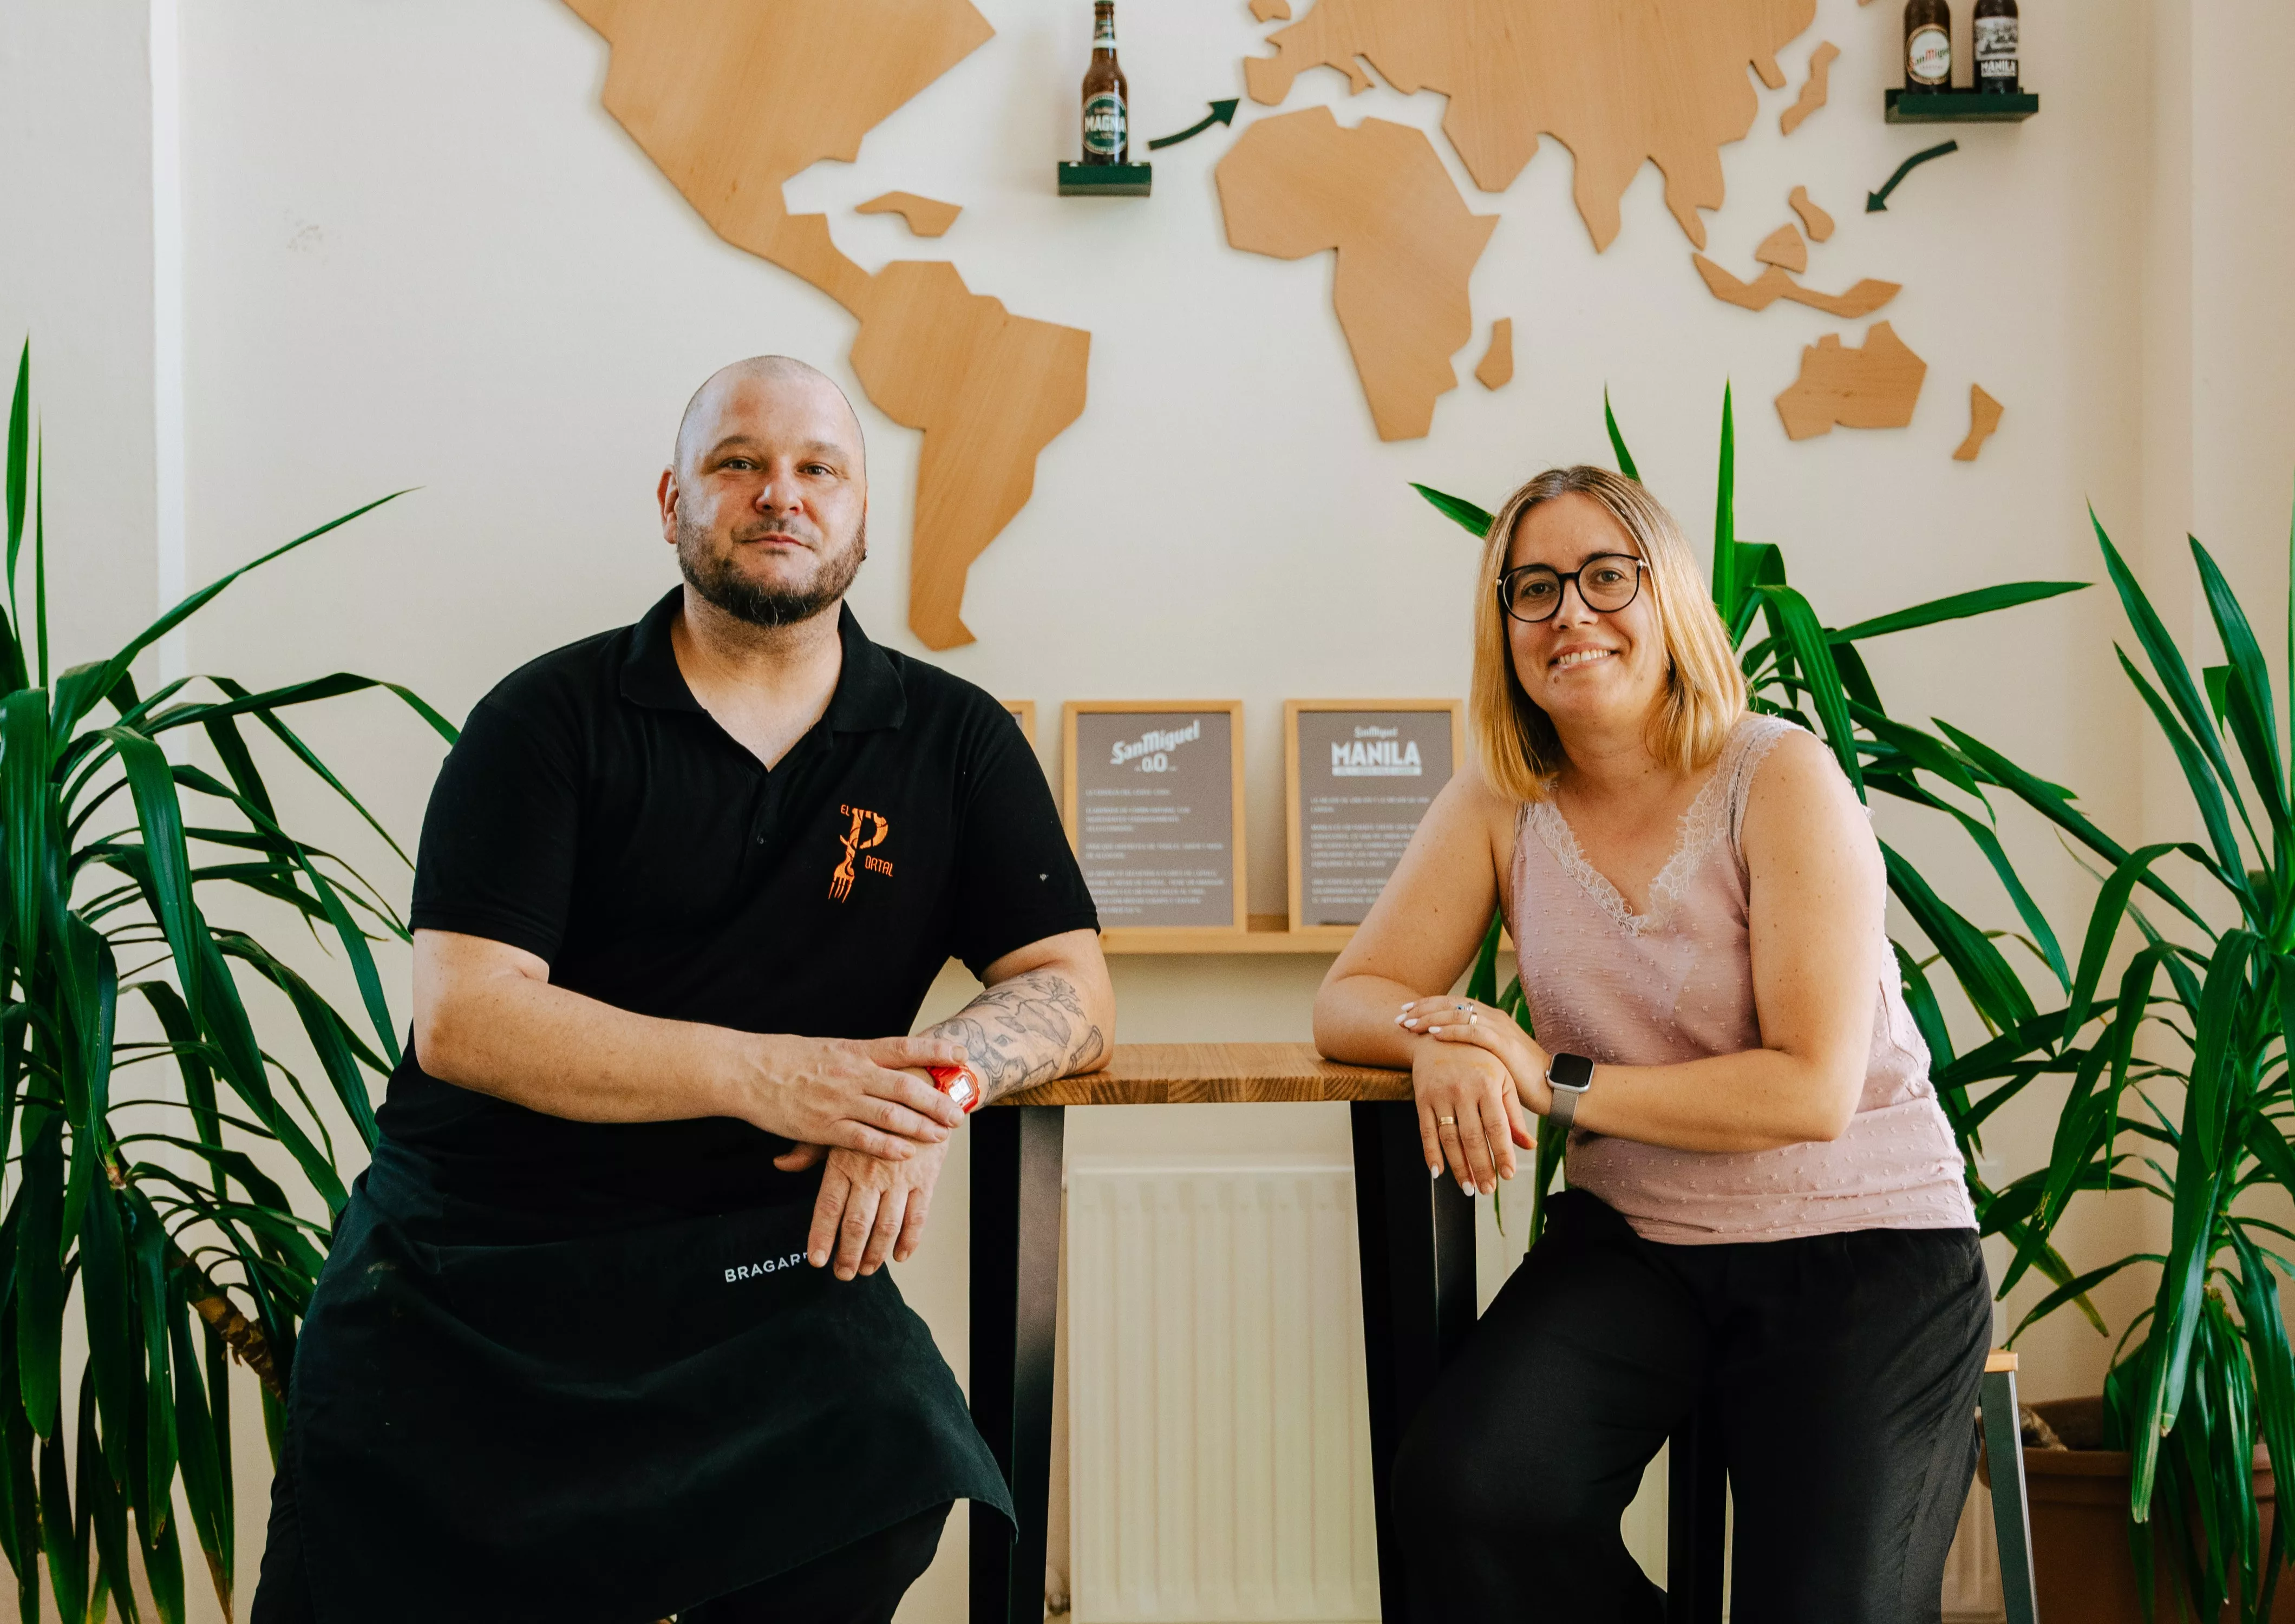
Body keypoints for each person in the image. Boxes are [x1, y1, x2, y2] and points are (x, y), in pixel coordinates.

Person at [252, 356, 1113, 1623]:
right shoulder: (545, 720)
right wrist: (782, 1075)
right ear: (672, 503)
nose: (782, 494)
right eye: (738, 463)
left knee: (882, 1479)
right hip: (479, 1261)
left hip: (760, 1256)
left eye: (820, 468)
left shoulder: (954, 738)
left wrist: (923, 1095)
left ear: (863, 515)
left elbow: (1073, 990)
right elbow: (468, 1016)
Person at [1313, 467, 1985, 1622]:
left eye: (1603, 576)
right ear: (1505, 627)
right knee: (1468, 1498)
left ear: (1665, 594)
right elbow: (1351, 997)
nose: (1570, 612)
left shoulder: (1779, 777)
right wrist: (1453, 1042)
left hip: (1865, 1252)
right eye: (1533, 589)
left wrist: (1544, 1074)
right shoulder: (1499, 801)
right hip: (1641, 1247)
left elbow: (1808, 1092)